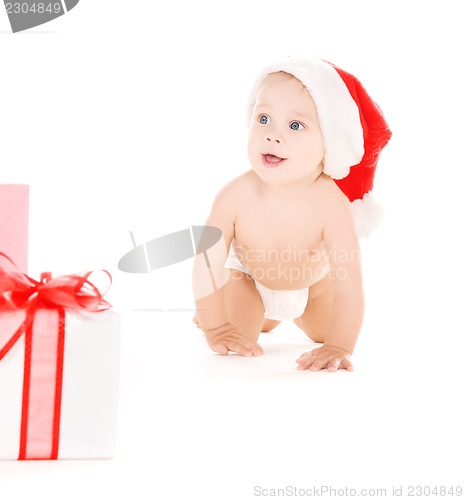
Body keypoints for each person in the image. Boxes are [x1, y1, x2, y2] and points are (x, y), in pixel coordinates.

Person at [192, 57, 391, 371]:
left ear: (330, 142)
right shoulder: (234, 195)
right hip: (249, 281)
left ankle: (288, 314)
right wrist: (215, 324)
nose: (272, 135)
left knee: (326, 332)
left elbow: (349, 284)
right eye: (264, 118)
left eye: (295, 125)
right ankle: (243, 313)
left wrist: (339, 346)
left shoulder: (332, 203)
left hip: (313, 288)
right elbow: (207, 263)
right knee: (238, 333)